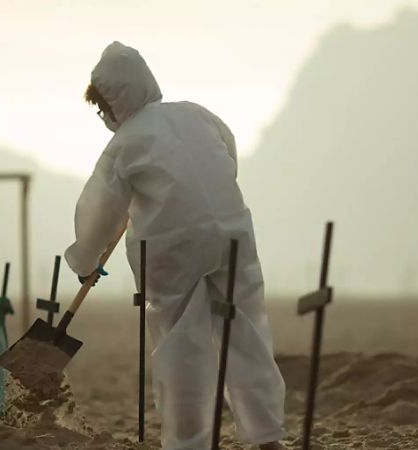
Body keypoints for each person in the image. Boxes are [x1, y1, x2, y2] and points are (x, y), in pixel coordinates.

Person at [64, 42, 286, 450]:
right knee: (246, 331)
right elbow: (227, 159)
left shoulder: (123, 144)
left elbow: (99, 211)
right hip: (232, 233)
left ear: (114, 102)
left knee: (182, 346)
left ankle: (188, 443)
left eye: (101, 109)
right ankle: (268, 436)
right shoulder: (196, 114)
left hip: (173, 249)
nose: (103, 118)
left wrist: (85, 259)